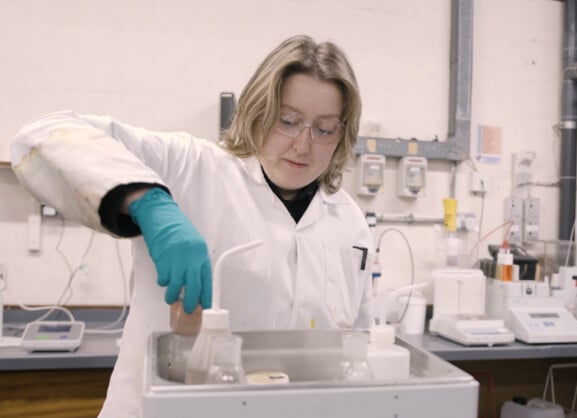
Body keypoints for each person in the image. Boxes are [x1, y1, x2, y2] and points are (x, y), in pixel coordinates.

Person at [10, 35, 374, 417]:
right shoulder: (189, 166)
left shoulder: (349, 224)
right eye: (288, 121)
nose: (303, 144)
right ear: (258, 110)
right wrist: (150, 203)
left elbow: (358, 349)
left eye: (324, 129)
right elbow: (42, 135)